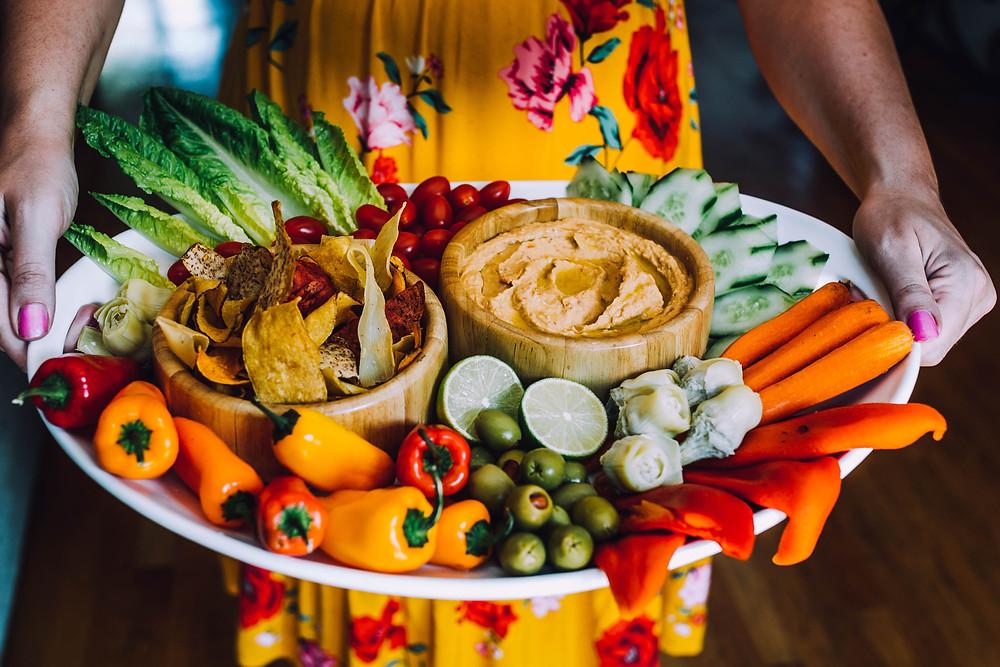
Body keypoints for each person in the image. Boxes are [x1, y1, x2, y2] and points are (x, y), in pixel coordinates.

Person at [0, 0, 994, 664]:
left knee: (598, 561)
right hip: (331, 137)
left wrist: (899, 177)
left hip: (596, 140)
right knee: (336, 534)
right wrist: (38, 119)